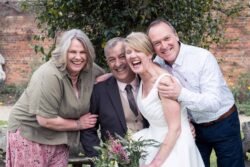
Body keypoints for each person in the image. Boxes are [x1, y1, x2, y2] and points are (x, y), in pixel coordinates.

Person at [147, 18, 245, 167]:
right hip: (195, 129)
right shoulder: (157, 64)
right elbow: (139, 70)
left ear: (176, 36)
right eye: (157, 43)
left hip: (223, 122)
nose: (164, 46)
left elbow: (213, 103)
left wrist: (180, 93)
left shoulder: (202, 57)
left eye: (166, 38)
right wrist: (111, 75)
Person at [6, 29, 105, 167]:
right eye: (72, 52)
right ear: (63, 52)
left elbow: (107, 78)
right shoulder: (49, 75)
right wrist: (78, 124)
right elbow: (45, 120)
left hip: (59, 138)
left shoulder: (88, 69)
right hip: (31, 134)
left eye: (83, 52)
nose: (78, 57)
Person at [124, 32, 204, 167]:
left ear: (149, 54)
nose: (132, 55)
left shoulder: (164, 82)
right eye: (128, 52)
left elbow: (175, 128)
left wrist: (155, 163)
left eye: (138, 50)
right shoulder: (143, 76)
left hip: (175, 147)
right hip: (154, 141)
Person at [80, 37, 149, 157]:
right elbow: (88, 131)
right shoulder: (99, 91)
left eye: (122, 56)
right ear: (107, 62)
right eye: (112, 59)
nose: (118, 64)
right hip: (118, 160)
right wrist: (100, 159)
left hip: (154, 157)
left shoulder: (148, 82)